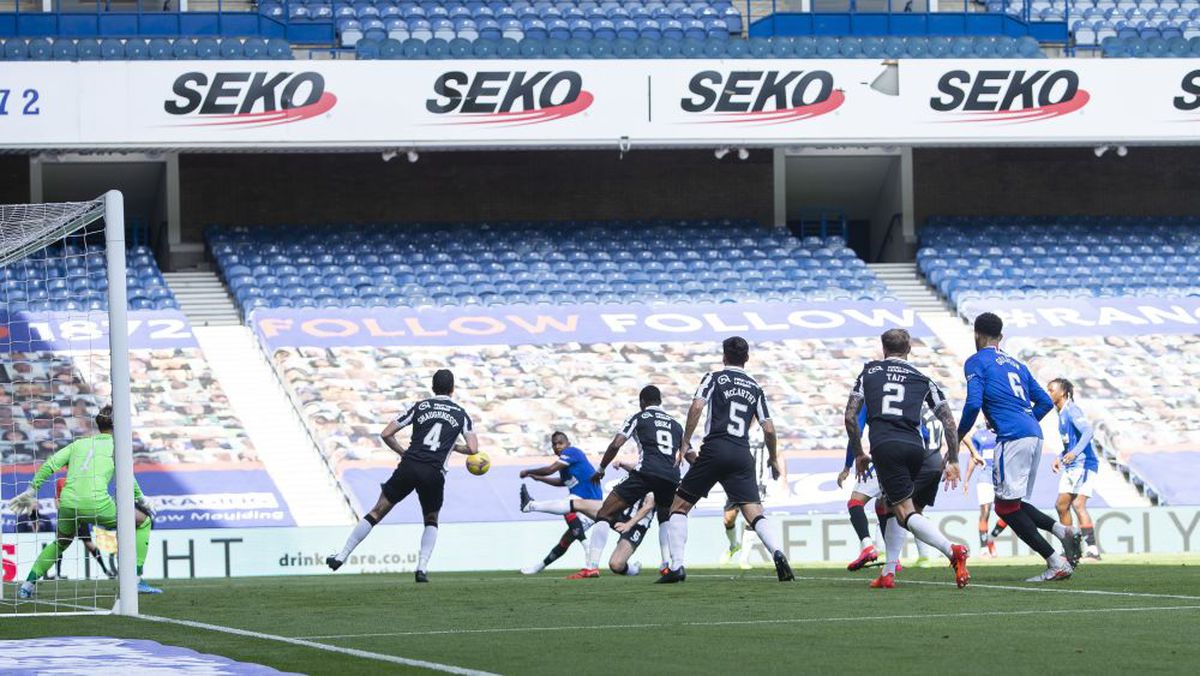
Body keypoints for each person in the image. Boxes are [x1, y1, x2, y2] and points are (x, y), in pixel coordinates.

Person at [957, 313, 1082, 582]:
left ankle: (1055, 561)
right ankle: (1063, 531)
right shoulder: (1017, 365)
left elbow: (972, 403)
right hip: (1033, 435)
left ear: (977, 334)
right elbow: (1045, 403)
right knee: (1011, 503)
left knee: (1004, 508)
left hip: (1013, 438)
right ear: (1000, 337)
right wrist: (1025, 421)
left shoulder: (976, 361)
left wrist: (957, 436)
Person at [658, 336, 794, 583]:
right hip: (742, 454)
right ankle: (778, 552)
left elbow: (697, 407)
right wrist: (774, 459)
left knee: (678, 507)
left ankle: (676, 566)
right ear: (747, 358)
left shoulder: (714, 378)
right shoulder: (755, 387)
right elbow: (770, 429)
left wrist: (685, 441)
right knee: (754, 512)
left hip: (715, 449)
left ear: (724, 356)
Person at [326, 369, 479, 583]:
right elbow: (473, 449)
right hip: (434, 472)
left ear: (433, 387)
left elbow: (386, 433)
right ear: (453, 389)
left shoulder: (420, 406)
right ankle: (421, 569)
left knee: (377, 511)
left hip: (410, 466)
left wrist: (402, 452)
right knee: (431, 519)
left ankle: (341, 556)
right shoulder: (461, 414)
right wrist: (452, 447)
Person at [845, 328, 969, 590]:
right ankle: (888, 573)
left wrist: (858, 453)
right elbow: (948, 420)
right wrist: (955, 459)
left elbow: (850, 416)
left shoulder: (869, 372)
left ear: (883, 348)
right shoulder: (922, 378)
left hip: (886, 445)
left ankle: (952, 550)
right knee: (890, 507)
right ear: (909, 349)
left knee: (904, 512)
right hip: (916, 449)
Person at [12, 405, 159, 598]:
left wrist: (31, 490)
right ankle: (136, 579)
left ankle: (27, 585)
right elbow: (127, 477)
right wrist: (141, 498)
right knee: (143, 521)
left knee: (61, 542)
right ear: (120, 425)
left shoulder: (78, 444)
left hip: (68, 504)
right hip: (97, 505)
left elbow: (49, 465)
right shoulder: (118, 447)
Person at [518, 431, 605, 578]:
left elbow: (550, 469)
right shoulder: (565, 467)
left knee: (568, 508)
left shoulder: (573, 452)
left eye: (560, 443)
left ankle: (531, 506)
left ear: (568, 444)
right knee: (565, 540)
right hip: (582, 504)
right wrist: (539, 478)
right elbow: (561, 482)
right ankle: (538, 567)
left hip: (590, 501)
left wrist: (527, 471)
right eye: (554, 444)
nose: (557, 446)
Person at [1049, 378, 1100, 562]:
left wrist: (1075, 452)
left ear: (1062, 392)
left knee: (1070, 505)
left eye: (1051, 390)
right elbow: (1070, 442)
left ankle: (1086, 551)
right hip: (1073, 464)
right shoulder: (1061, 413)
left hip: (1084, 464)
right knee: (1065, 506)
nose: (1049, 393)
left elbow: (1088, 432)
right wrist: (1060, 455)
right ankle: (1075, 550)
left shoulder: (1072, 409)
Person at [722, 438, 787, 569]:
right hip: (736, 479)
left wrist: (784, 478)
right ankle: (734, 545)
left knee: (752, 518)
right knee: (728, 519)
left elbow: (778, 452)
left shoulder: (763, 430)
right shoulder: (738, 427)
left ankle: (744, 559)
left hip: (757, 483)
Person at [963, 425, 999, 557]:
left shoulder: (1003, 430)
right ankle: (984, 549)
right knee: (985, 510)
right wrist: (966, 480)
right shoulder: (979, 435)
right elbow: (973, 457)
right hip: (985, 477)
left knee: (1009, 512)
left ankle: (991, 537)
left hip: (1002, 478)